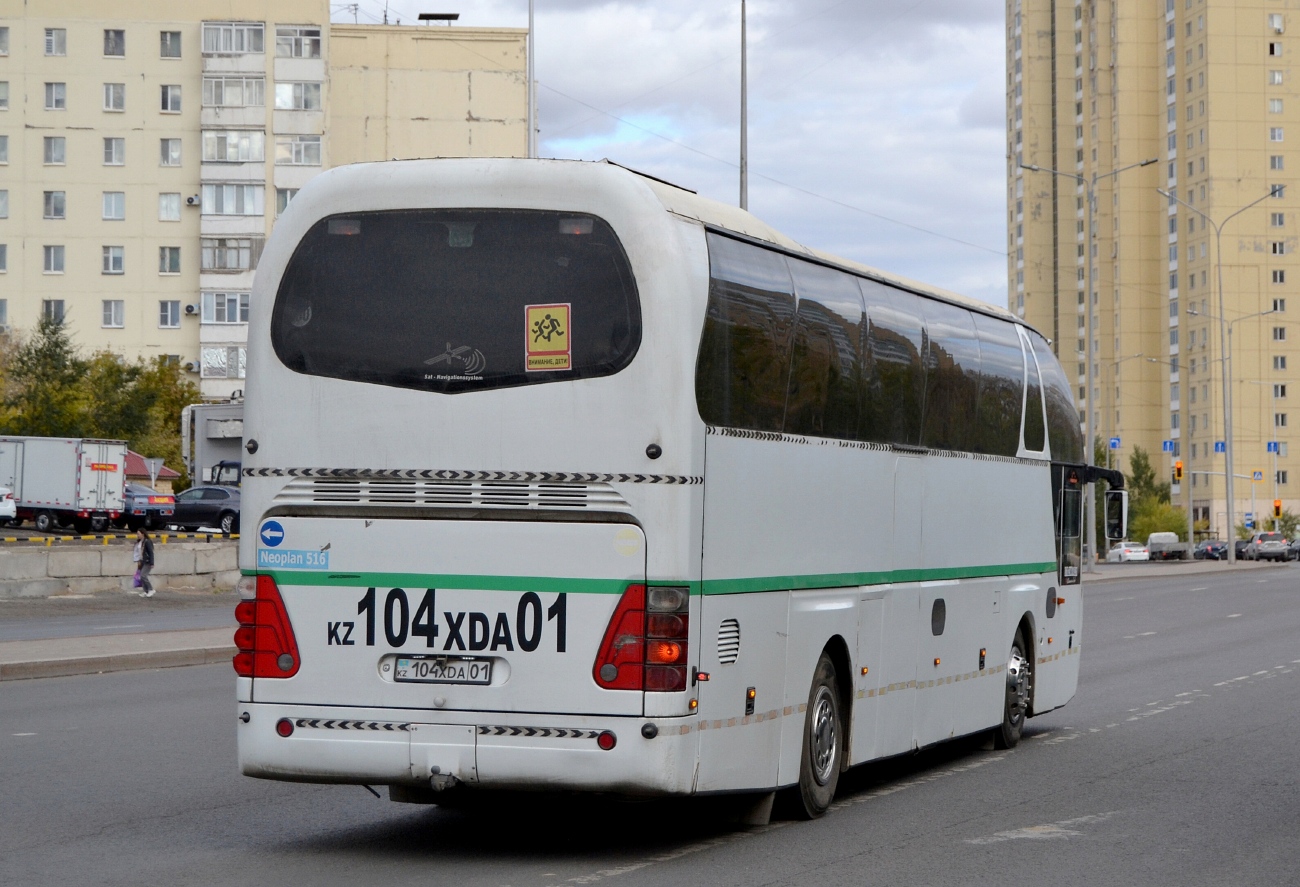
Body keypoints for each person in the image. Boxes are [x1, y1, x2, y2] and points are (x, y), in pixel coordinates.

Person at [134, 528, 155, 598]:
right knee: (141, 576)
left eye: (138, 534)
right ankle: (146, 591)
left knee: (143, 575)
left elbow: (151, 552)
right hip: (142, 561)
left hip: (147, 561)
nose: (137, 535)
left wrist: (152, 562)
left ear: (143, 534)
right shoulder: (140, 542)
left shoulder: (147, 541)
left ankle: (151, 589)